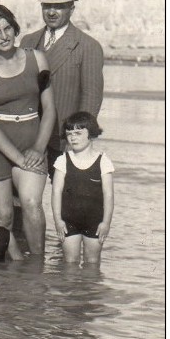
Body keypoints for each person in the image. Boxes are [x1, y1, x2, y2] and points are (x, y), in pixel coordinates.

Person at [0, 4, 56, 255]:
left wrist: (38, 149)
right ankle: (4, 276)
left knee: (31, 203)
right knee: (4, 215)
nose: (4, 35)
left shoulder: (37, 59)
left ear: (15, 29)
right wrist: (17, 159)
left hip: (30, 142)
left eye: (7, 28)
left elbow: (49, 109)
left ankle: (37, 269)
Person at [19, 0, 105, 170]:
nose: (51, 12)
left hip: (63, 139)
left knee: (65, 195)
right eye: (46, 6)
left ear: (72, 9)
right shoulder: (28, 41)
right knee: (23, 197)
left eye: (59, 7)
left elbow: (91, 98)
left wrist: (76, 141)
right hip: (27, 137)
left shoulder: (88, 46)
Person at [50, 112, 114, 266]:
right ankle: (72, 289)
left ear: (91, 133)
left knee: (92, 264)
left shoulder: (102, 160)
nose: (73, 137)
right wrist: (58, 220)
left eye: (78, 133)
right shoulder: (62, 160)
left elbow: (109, 195)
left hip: (95, 222)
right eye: (69, 133)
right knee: (70, 263)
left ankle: (89, 291)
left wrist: (106, 223)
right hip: (68, 221)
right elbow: (56, 192)